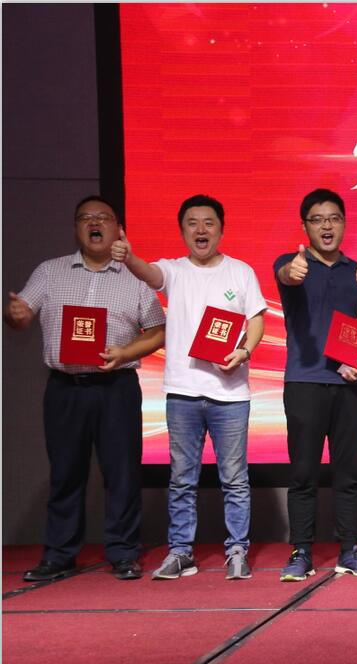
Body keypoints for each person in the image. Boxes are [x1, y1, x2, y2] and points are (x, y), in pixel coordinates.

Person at [4, 195, 165, 582]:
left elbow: (159, 332)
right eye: (85, 218)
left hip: (117, 388)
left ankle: (123, 553)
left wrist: (125, 352)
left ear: (118, 228)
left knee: (122, 473)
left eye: (102, 217)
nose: (94, 223)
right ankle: (59, 555)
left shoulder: (135, 277)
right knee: (65, 473)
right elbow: (21, 314)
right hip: (65, 389)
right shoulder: (50, 271)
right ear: (76, 228)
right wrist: (14, 315)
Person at [112, 194, 267, 581]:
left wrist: (245, 351)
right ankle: (181, 551)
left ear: (221, 230)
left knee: (235, 479)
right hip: (182, 392)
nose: (201, 230)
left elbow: (256, 320)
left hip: (230, 395)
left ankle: (237, 549)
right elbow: (149, 274)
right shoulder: (174, 270)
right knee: (182, 478)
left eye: (209, 223)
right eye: (192, 223)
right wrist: (129, 257)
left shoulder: (240, 272)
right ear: (182, 232)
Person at [274, 189, 357, 581]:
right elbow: (286, 274)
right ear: (305, 226)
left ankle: (350, 549)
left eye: (333, 218)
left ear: (344, 223)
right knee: (303, 472)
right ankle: (300, 551)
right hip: (304, 382)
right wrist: (294, 271)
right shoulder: (291, 264)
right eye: (317, 219)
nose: (326, 226)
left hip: (349, 384)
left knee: (348, 471)